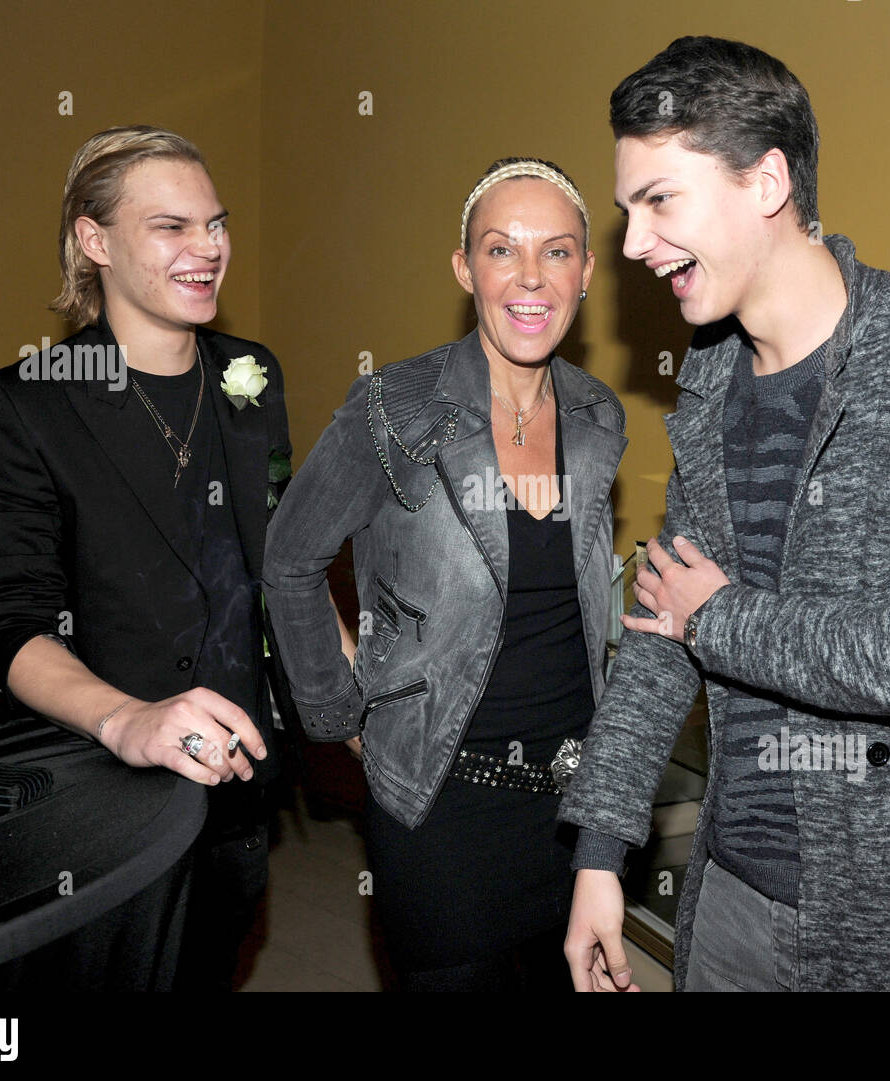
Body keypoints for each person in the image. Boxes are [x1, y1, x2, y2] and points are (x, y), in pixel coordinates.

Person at [558, 37, 890, 992]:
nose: (635, 244)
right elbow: (663, 627)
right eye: (627, 212)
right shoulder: (710, 381)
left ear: (766, 181)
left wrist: (724, 617)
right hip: (731, 895)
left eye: (659, 201)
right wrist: (600, 852)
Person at [263, 158, 625, 991]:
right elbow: (289, 558)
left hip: (577, 810)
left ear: (586, 272)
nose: (531, 277)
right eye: (502, 250)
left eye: (558, 251)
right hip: (443, 808)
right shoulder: (393, 406)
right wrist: (339, 715)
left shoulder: (601, 415)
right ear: (465, 269)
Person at [0, 125, 292, 990]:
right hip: (99, 795)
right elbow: (8, 625)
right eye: (172, 227)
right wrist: (126, 721)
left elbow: (279, 563)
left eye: (215, 223)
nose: (209, 248)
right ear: (94, 240)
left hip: (239, 784)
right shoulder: (22, 405)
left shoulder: (253, 376)